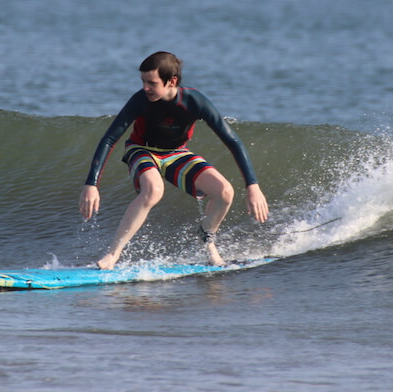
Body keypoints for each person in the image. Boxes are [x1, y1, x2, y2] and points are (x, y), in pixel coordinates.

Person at [79, 51, 269, 269]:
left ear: (172, 81)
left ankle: (207, 240)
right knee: (153, 190)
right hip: (142, 149)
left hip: (176, 153)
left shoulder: (194, 101)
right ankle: (113, 255)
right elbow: (110, 138)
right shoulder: (140, 100)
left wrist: (252, 186)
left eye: (151, 83)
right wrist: (91, 184)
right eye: (143, 81)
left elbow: (233, 141)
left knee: (225, 192)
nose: (145, 88)